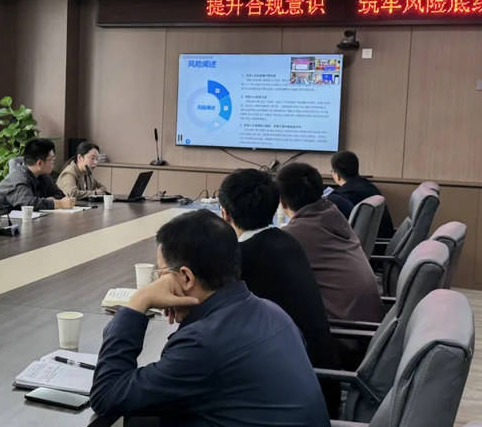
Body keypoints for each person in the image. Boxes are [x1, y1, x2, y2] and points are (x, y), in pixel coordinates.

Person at [89, 209, 330, 427]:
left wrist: (138, 301)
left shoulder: (203, 342)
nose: (158, 282)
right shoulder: (273, 311)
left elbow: (106, 395)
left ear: (186, 277)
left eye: (161, 273)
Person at [218, 168, 342, 418]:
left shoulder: (242, 259)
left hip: (288, 400)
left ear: (225, 214)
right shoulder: (287, 241)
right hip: (319, 385)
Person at [276, 162, 382, 325]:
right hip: (366, 323)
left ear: (282, 202)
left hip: (343, 331)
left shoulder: (293, 236)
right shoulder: (332, 214)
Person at [0, 138, 75, 212]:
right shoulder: (19, 178)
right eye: (51, 160)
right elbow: (28, 204)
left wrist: (49, 201)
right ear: (39, 163)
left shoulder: (42, 176)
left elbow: (59, 194)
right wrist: (59, 203)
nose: (53, 163)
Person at [331, 150, 394, 238]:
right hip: (379, 241)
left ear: (336, 175)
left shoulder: (342, 196)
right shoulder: (368, 186)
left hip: (373, 244)